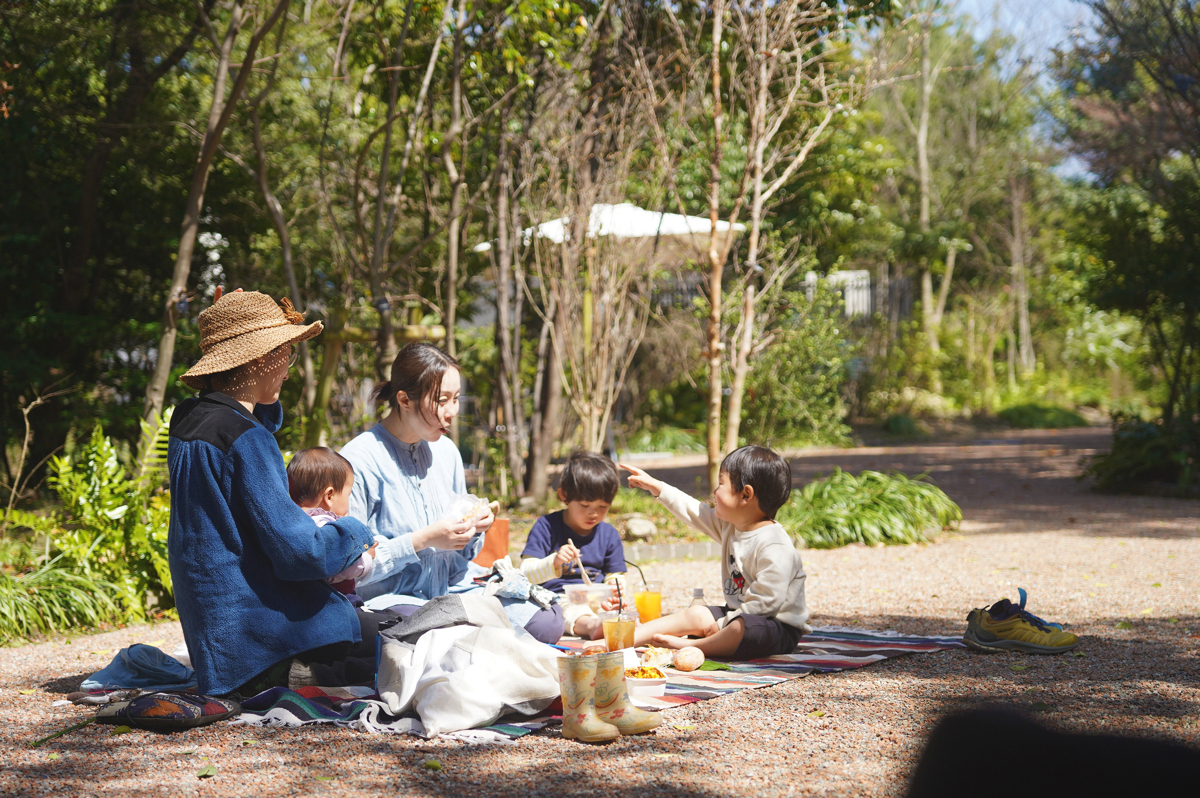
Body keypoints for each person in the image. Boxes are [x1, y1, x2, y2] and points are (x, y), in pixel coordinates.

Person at [168, 289, 387, 697]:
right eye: (284, 354)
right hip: (259, 642)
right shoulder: (247, 440)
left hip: (217, 638)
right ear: (256, 359)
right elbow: (301, 554)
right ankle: (288, 676)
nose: (287, 370)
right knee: (404, 637)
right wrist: (356, 531)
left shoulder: (189, 420)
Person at [341, 342, 565, 643]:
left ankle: (473, 640)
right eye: (442, 400)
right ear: (404, 400)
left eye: (456, 398)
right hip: (397, 601)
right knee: (427, 629)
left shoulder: (447, 452)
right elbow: (349, 568)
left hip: (454, 591)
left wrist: (474, 530)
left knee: (547, 620)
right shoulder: (359, 460)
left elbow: (463, 558)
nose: (453, 412)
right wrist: (421, 541)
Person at [622, 445, 810, 659]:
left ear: (745, 495)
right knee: (697, 613)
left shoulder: (774, 546)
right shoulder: (731, 525)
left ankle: (696, 646)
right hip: (737, 614)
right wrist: (657, 487)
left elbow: (764, 604)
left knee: (742, 628)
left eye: (721, 483)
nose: (715, 491)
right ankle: (627, 637)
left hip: (774, 627)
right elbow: (694, 511)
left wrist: (722, 625)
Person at [520, 451, 628, 640]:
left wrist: (615, 589)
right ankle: (593, 626)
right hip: (557, 597)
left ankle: (614, 623)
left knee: (620, 610)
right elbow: (525, 573)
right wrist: (555, 561)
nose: (593, 514)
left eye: (603, 507)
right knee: (571, 611)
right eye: (585, 505)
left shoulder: (609, 534)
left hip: (597, 598)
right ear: (564, 495)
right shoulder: (547, 527)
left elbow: (615, 574)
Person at [286, 447, 375, 596]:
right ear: (329, 496)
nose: (349, 501)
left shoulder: (291, 519)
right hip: (333, 601)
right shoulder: (325, 525)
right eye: (348, 494)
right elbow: (345, 564)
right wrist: (367, 556)